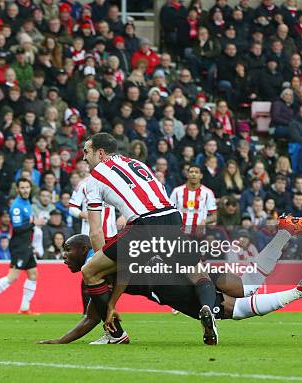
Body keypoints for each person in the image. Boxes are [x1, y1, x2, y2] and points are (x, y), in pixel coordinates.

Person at [38, 232, 302, 344]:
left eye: (67, 250)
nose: (63, 256)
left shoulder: (96, 268)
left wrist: (59, 341)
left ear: (82, 249)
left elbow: (93, 315)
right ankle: (283, 233)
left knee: (236, 310)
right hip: (182, 259)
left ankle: (299, 291)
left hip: (168, 286)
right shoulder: (107, 251)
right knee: (247, 286)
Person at [81, 132, 218, 345]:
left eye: (86, 152)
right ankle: (207, 309)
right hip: (172, 218)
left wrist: (104, 266)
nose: (84, 158)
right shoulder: (137, 163)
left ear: (100, 153)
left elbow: (96, 232)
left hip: (144, 225)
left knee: (89, 271)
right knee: (198, 272)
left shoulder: (94, 178)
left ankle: (115, 333)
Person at [0, 178, 39, 315]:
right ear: (17, 189)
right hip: (19, 246)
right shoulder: (16, 206)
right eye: (22, 188)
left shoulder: (26, 202)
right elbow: (16, 228)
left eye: (27, 187)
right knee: (12, 277)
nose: (25, 190)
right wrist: (34, 223)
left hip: (26, 245)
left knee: (33, 274)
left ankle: (24, 307)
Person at [169, 164, 217, 235]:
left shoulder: (208, 193)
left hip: (198, 234)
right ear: (187, 175)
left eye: (196, 172)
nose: (193, 174)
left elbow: (214, 216)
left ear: (201, 176)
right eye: (191, 172)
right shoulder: (177, 191)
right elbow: (170, 211)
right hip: (180, 233)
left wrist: (204, 222)